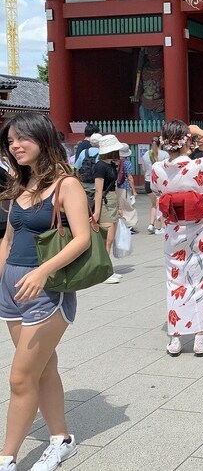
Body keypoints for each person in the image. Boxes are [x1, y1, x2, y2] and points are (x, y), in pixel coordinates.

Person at [0, 113, 92, 471]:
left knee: (20, 377)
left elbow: (83, 238)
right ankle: (61, 439)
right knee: (42, 368)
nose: (15, 146)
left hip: (47, 289)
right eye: (10, 141)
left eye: (21, 138)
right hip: (12, 290)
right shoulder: (19, 185)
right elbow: (8, 239)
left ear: (42, 139)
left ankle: (6, 457)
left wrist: (42, 270)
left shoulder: (65, 184)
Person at [151, 122, 203, 357]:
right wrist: (202, 133)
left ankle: (175, 339)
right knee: (201, 279)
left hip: (173, 231)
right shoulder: (201, 165)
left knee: (174, 281)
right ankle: (198, 338)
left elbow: (157, 193)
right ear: (187, 140)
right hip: (200, 230)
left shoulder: (157, 169)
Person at [93, 135, 124, 284]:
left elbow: (115, 186)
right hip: (104, 202)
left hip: (111, 200)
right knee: (107, 239)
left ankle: (108, 268)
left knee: (111, 238)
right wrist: (97, 211)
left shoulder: (112, 165)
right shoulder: (100, 166)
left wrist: (118, 205)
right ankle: (104, 271)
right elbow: (98, 191)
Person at [140, 137, 168, 235]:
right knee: (160, 205)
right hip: (159, 182)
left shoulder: (145, 154)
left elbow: (143, 168)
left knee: (154, 204)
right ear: (161, 143)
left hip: (148, 181)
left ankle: (151, 224)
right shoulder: (164, 154)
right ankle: (159, 227)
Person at [116, 144, 138, 232]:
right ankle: (129, 225)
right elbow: (129, 177)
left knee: (120, 206)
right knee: (129, 206)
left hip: (116, 186)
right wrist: (134, 190)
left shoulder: (115, 161)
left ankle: (121, 224)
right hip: (125, 186)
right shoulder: (127, 162)